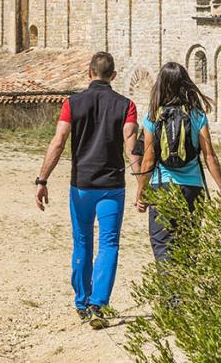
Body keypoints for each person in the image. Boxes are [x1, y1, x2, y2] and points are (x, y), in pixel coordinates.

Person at [35, 52, 142, 329]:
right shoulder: (126, 105)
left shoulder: (72, 103)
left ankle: (82, 303)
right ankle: (98, 304)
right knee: (109, 244)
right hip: (112, 187)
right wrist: (142, 183)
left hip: (81, 186)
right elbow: (131, 145)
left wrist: (42, 179)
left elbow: (58, 141)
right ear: (114, 76)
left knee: (82, 241)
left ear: (88, 72)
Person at [136, 61, 221, 260]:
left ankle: (171, 291)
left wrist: (141, 193)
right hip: (193, 189)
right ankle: (183, 291)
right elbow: (209, 155)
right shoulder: (197, 115)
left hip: (162, 187)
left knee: (163, 247)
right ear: (185, 84)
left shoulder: (152, 117)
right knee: (188, 246)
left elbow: (148, 160)